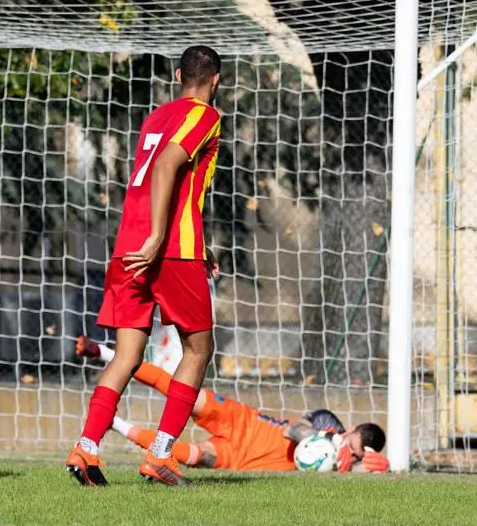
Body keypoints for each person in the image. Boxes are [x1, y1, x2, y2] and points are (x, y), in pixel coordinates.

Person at [66, 45, 223, 487]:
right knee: (198, 349)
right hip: (168, 250)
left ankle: (87, 447)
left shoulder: (155, 118)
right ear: (215, 80)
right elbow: (169, 165)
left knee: (128, 354)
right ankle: (159, 454)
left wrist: (196, 242)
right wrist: (160, 237)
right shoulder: (206, 116)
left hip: (128, 249)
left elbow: (176, 185)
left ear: (177, 76)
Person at [79, 337, 390, 474]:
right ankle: (106, 353)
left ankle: (114, 423)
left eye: (358, 452)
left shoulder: (343, 466)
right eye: (353, 443)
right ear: (350, 431)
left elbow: (346, 473)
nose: (352, 451)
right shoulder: (328, 424)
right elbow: (296, 430)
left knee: (190, 455)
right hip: (240, 419)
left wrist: (365, 469)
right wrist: (332, 442)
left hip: (240, 458)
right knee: (179, 389)